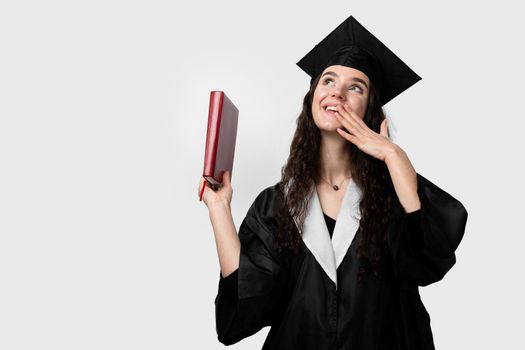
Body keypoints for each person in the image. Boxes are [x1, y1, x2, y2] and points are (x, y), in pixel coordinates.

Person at [198, 15, 468, 350]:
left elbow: (428, 261)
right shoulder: (278, 204)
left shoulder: (392, 192)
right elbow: (247, 306)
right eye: (328, 81)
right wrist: (219, 209)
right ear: (313, 95)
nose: (337, 93)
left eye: (356, 87)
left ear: (369, 108)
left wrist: (394, 156)